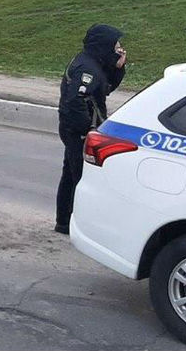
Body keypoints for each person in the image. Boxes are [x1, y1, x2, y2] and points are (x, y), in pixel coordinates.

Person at [55, 24, 126, 235]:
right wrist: (86, 130)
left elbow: (104, 89)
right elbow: (74, 100)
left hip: (76, 130)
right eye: (116, 46)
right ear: (104, 45)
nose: (119, 49)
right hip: (78, 132)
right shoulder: (87, 68)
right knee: (82, 178)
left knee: (70, 175)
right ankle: (80, 226)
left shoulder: (93, 63)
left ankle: (64, 222)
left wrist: (118, 68)